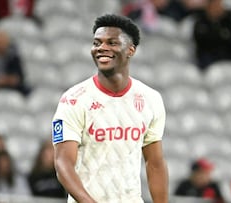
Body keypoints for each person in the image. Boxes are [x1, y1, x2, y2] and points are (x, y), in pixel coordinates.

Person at [52, 14, 168, 203]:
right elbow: (63, 163)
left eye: (112, 43)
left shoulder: (151, 99)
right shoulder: (73, 100)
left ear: (130, 50)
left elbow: (154, 163)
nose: (102, 48)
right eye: (97, 43)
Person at [192, 0, 231, 70]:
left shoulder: (228, 22)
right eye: (215, 6)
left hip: (227, 54)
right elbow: (202, 42)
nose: (218, 9)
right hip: (208, 56)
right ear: (209, 7)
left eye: (219, 6)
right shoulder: (200, 22)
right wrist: (220, 36)